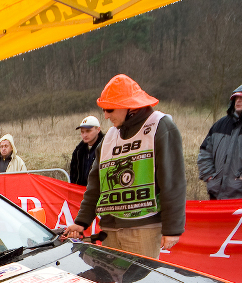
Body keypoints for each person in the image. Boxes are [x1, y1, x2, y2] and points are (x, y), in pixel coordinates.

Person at [64, 74, 186, 259]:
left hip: (143, 228)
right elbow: (95, 184)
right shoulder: (109, 137)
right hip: (110, 229)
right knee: (110, 278)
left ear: (128, 106)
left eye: (109, 109)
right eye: (104, 110)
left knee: (140, 279)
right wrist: (82, 221)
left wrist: (172, 228)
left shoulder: (160, 126)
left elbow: (173, 180)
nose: (106, 115)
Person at [69, 116, 104, 186]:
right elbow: (74, 174)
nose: (84, 135)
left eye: (88, 131)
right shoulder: (78, 151)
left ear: (98, 130)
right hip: (81, 190)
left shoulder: (106, 146)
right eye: (82, 132)